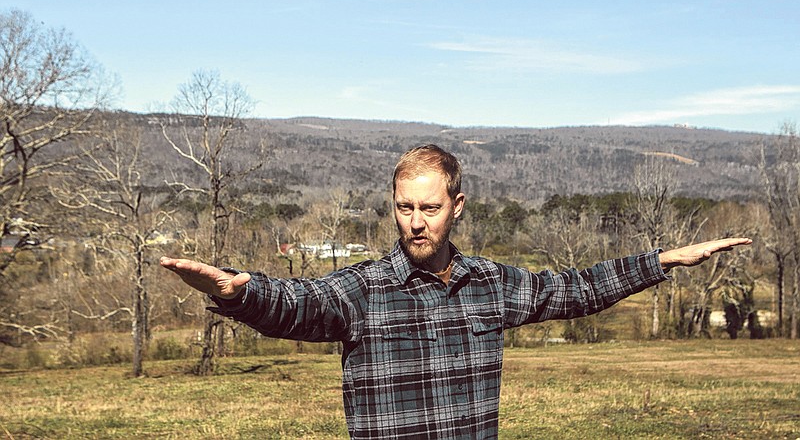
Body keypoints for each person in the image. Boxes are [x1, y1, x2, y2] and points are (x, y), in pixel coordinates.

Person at [161, 144, 752, 440]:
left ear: (457, 207)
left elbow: (572, 290)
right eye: (405, 208)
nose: (416, 222)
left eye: (430, 208)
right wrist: (242, 294)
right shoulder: (361, 291)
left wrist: (659, 262)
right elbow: (300, 306)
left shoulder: (491, 286)